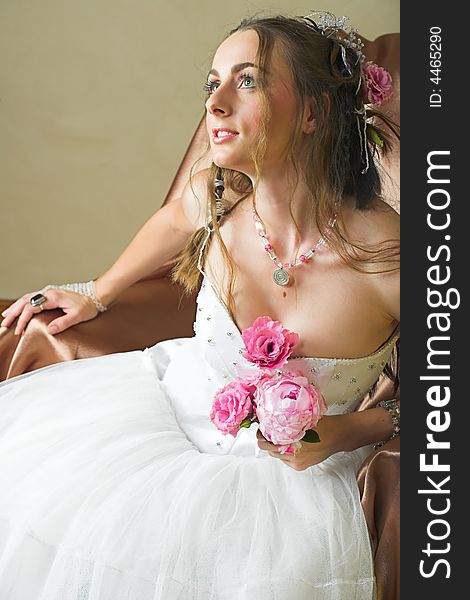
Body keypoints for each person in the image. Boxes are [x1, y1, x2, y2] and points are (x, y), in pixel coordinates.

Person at [0, 12, 399, 600]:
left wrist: (352, 430)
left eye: (248, 80)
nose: (215, 104)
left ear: (313, 112)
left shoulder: (392, 258)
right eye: (212, 83)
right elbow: (170, 222)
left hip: (299, 494)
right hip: (158, 421)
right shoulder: (216, 194)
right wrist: (97, 291)